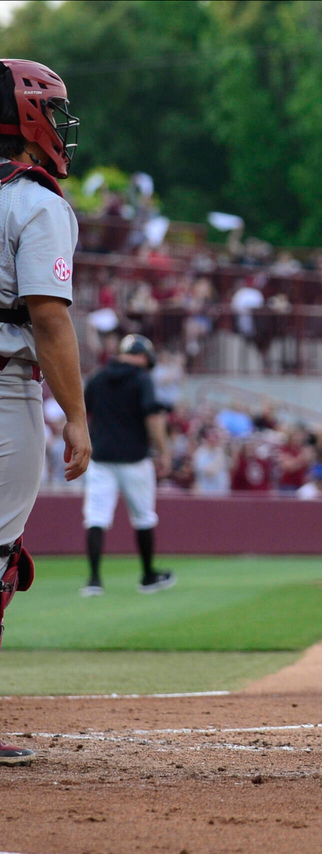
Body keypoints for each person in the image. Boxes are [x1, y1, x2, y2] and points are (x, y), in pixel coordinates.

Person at [0, 58, 90, 767]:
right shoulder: (34, 201)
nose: (57, 126)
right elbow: (49, 320)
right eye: (50, 112)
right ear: (27, 117)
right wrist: (78, 418)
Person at [80, 334, 173, 596]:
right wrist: (164, 452)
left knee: (96, 517)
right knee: (144, 517)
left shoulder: (98, 377)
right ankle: (148, 576)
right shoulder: (142, 378)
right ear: (143, 357)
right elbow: (153, 419)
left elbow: (83, 409)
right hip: (135, 459)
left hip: (101, 458)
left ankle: (94, 580)